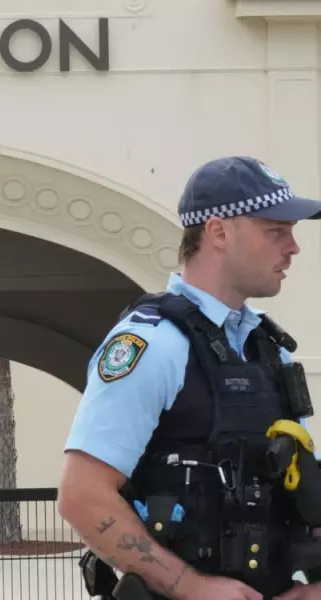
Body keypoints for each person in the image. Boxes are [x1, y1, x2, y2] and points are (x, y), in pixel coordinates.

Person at [58, 156, 321, 600]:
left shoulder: (269, 349)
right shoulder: (154, 345)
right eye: (276, 231)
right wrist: (190, 586)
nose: (293, 247)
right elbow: (81, 495)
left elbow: (305, 486)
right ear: (218, 233)